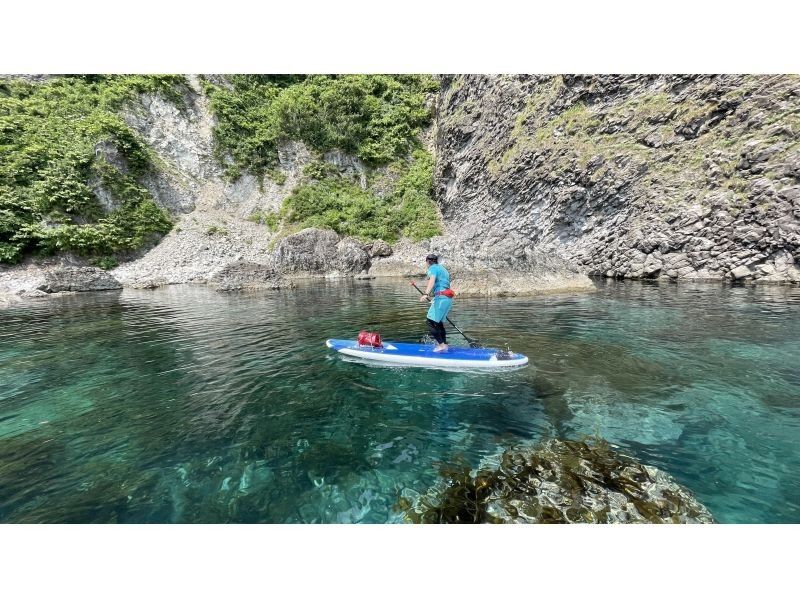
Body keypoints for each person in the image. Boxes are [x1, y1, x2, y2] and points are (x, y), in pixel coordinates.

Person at [419, 254, 453, 352]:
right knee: (438, 323)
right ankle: (444, 344)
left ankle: (441, 345)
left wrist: (426, 294)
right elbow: (443, 284)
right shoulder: (443, 269)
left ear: (428, 261)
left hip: (441, 298)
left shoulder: (432, 268)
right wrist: (435, 297)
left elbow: (432, 281)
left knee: (429, 322)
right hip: (447, 298)